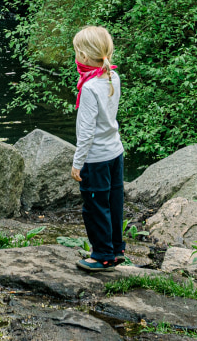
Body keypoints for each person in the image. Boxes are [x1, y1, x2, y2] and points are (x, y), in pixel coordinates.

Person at [71, 25, 125, 271]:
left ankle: (102, 255)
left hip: (96, 158)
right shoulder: (113, 76)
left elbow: (86, 132)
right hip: (115, 152)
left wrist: (77, 162)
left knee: (95, 206)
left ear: (83, 57)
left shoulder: (90, 88)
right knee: (113, 202)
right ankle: (116, 249)